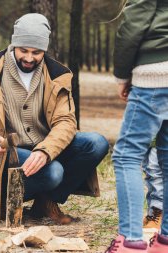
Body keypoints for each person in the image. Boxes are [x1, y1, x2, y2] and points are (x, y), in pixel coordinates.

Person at [0, 13, 109, 225]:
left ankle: (45, 202)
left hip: (44, 150)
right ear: (14, 45)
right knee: (53, 172)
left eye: (36, 52)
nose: (29, 58)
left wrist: (46, 151)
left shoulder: (58, 74)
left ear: (44, 50)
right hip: (6, 154)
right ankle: (3, 197)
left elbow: (66, 122)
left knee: (96, 143)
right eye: (23, 51)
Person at [108, 0, 168, 251]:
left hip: (157, 73)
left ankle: (130, 242)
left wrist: (122, 74)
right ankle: (165, 240)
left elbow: (133, 25)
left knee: (127, 156)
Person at [142, 147, 163, 230]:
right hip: (148, 139)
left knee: (156, 173)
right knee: (149, 172)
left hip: (160, 139)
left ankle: (160, 213)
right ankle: (152, 214)